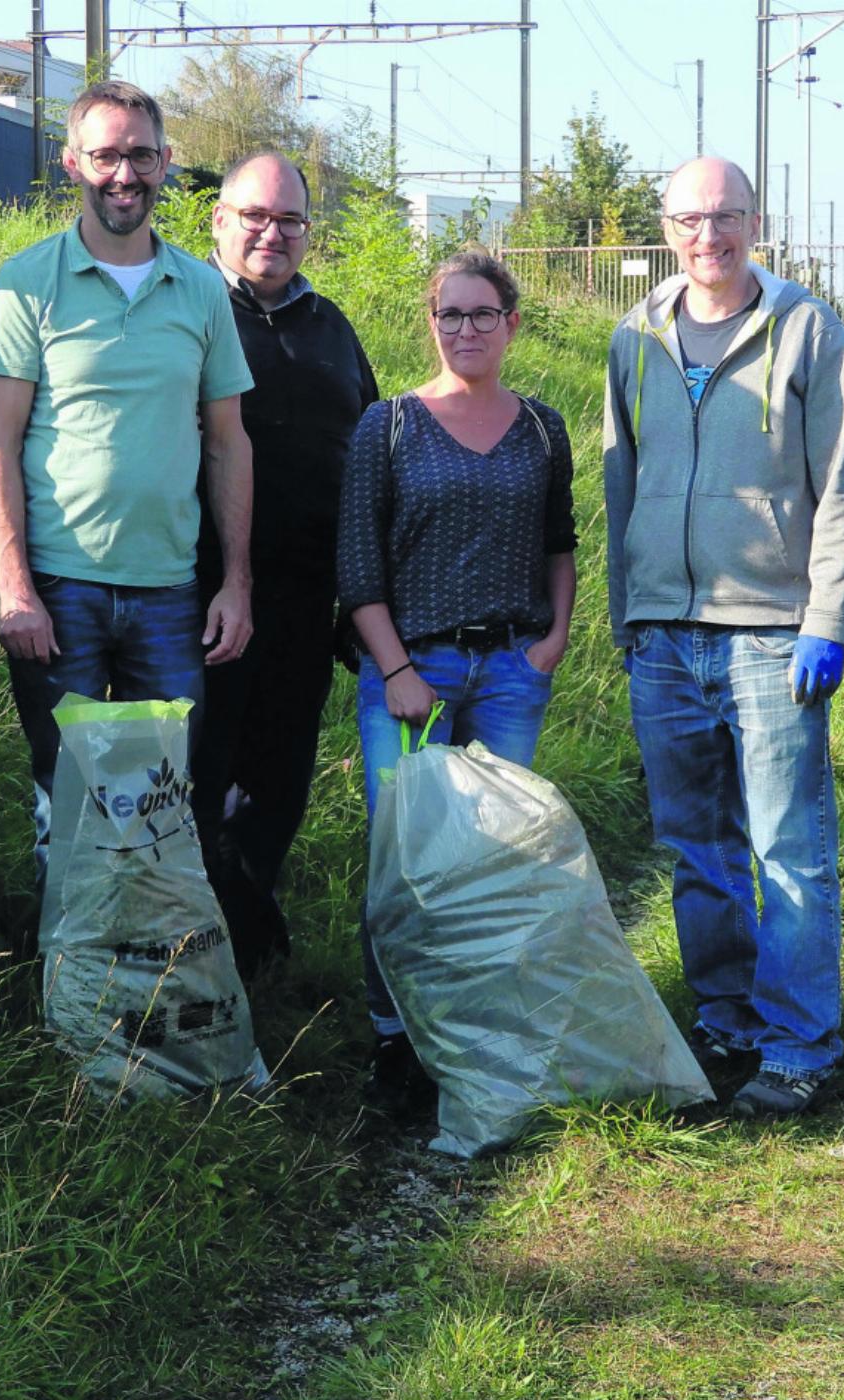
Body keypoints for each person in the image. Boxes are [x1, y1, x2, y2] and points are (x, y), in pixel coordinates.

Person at [601, 156, 844, 1117]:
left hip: (772, 636)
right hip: (665, 635)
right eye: (687, 219)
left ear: (756, 221)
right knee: (694, 845)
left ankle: (802, 1042)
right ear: (665, 229)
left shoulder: (805, 327)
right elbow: (619, 480)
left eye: (725, 217)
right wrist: (624, 608)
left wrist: (830, 620)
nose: (706, 235)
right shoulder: (635, 334)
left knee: (787, 845)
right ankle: (726, 1015)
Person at [0, 81, 254, 878]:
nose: (123, 174)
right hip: (59, 593)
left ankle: (144, 978)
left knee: (158, 800)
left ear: (166, 163)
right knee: (62, 794)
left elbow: (229, 444)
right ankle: (71, 982)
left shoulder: (201, 289)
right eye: (105, 155)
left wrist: (236, 582)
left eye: (140, 155)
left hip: (169, 592)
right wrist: (14, 585)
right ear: (73, 163)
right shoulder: (28, 283)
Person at [336, 250, 576, 1112]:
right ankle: (396, 1039)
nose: (466, 330)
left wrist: (552, 641)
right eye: (451, 315)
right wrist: (396, 668)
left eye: (483, 315)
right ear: (430, 323)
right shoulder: (390, 425)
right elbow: (357, 565)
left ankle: (480, 1032)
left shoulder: (543, 428)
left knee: (495, 859)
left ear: (512, 324)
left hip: (511, 672)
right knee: (404, 862)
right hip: (411, 674)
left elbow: (561, 541)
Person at [194, 150, 379, 968]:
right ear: (219, 220)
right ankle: (212, 950)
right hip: (196, 596)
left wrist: (364, 598)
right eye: (255, 216)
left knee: (279, 782)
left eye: (290, 220)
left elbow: (371, 460)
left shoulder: (332, 328)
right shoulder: (184, 305)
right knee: (197, 779)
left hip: (305, 604)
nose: (273, 233)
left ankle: (240, 943)